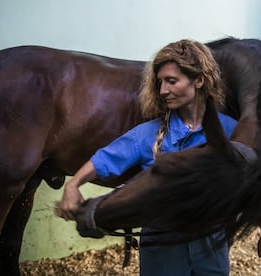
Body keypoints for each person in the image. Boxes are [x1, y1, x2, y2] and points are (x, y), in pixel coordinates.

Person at [57, 39, 238, 275]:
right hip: (161, 246)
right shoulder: (149, 134)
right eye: (160, 82)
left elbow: (251, 177)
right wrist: (73, 184)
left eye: (171, 81)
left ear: (199, 80)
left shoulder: (231, 131)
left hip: (210, 246)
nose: (163, 90)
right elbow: (105, 159)